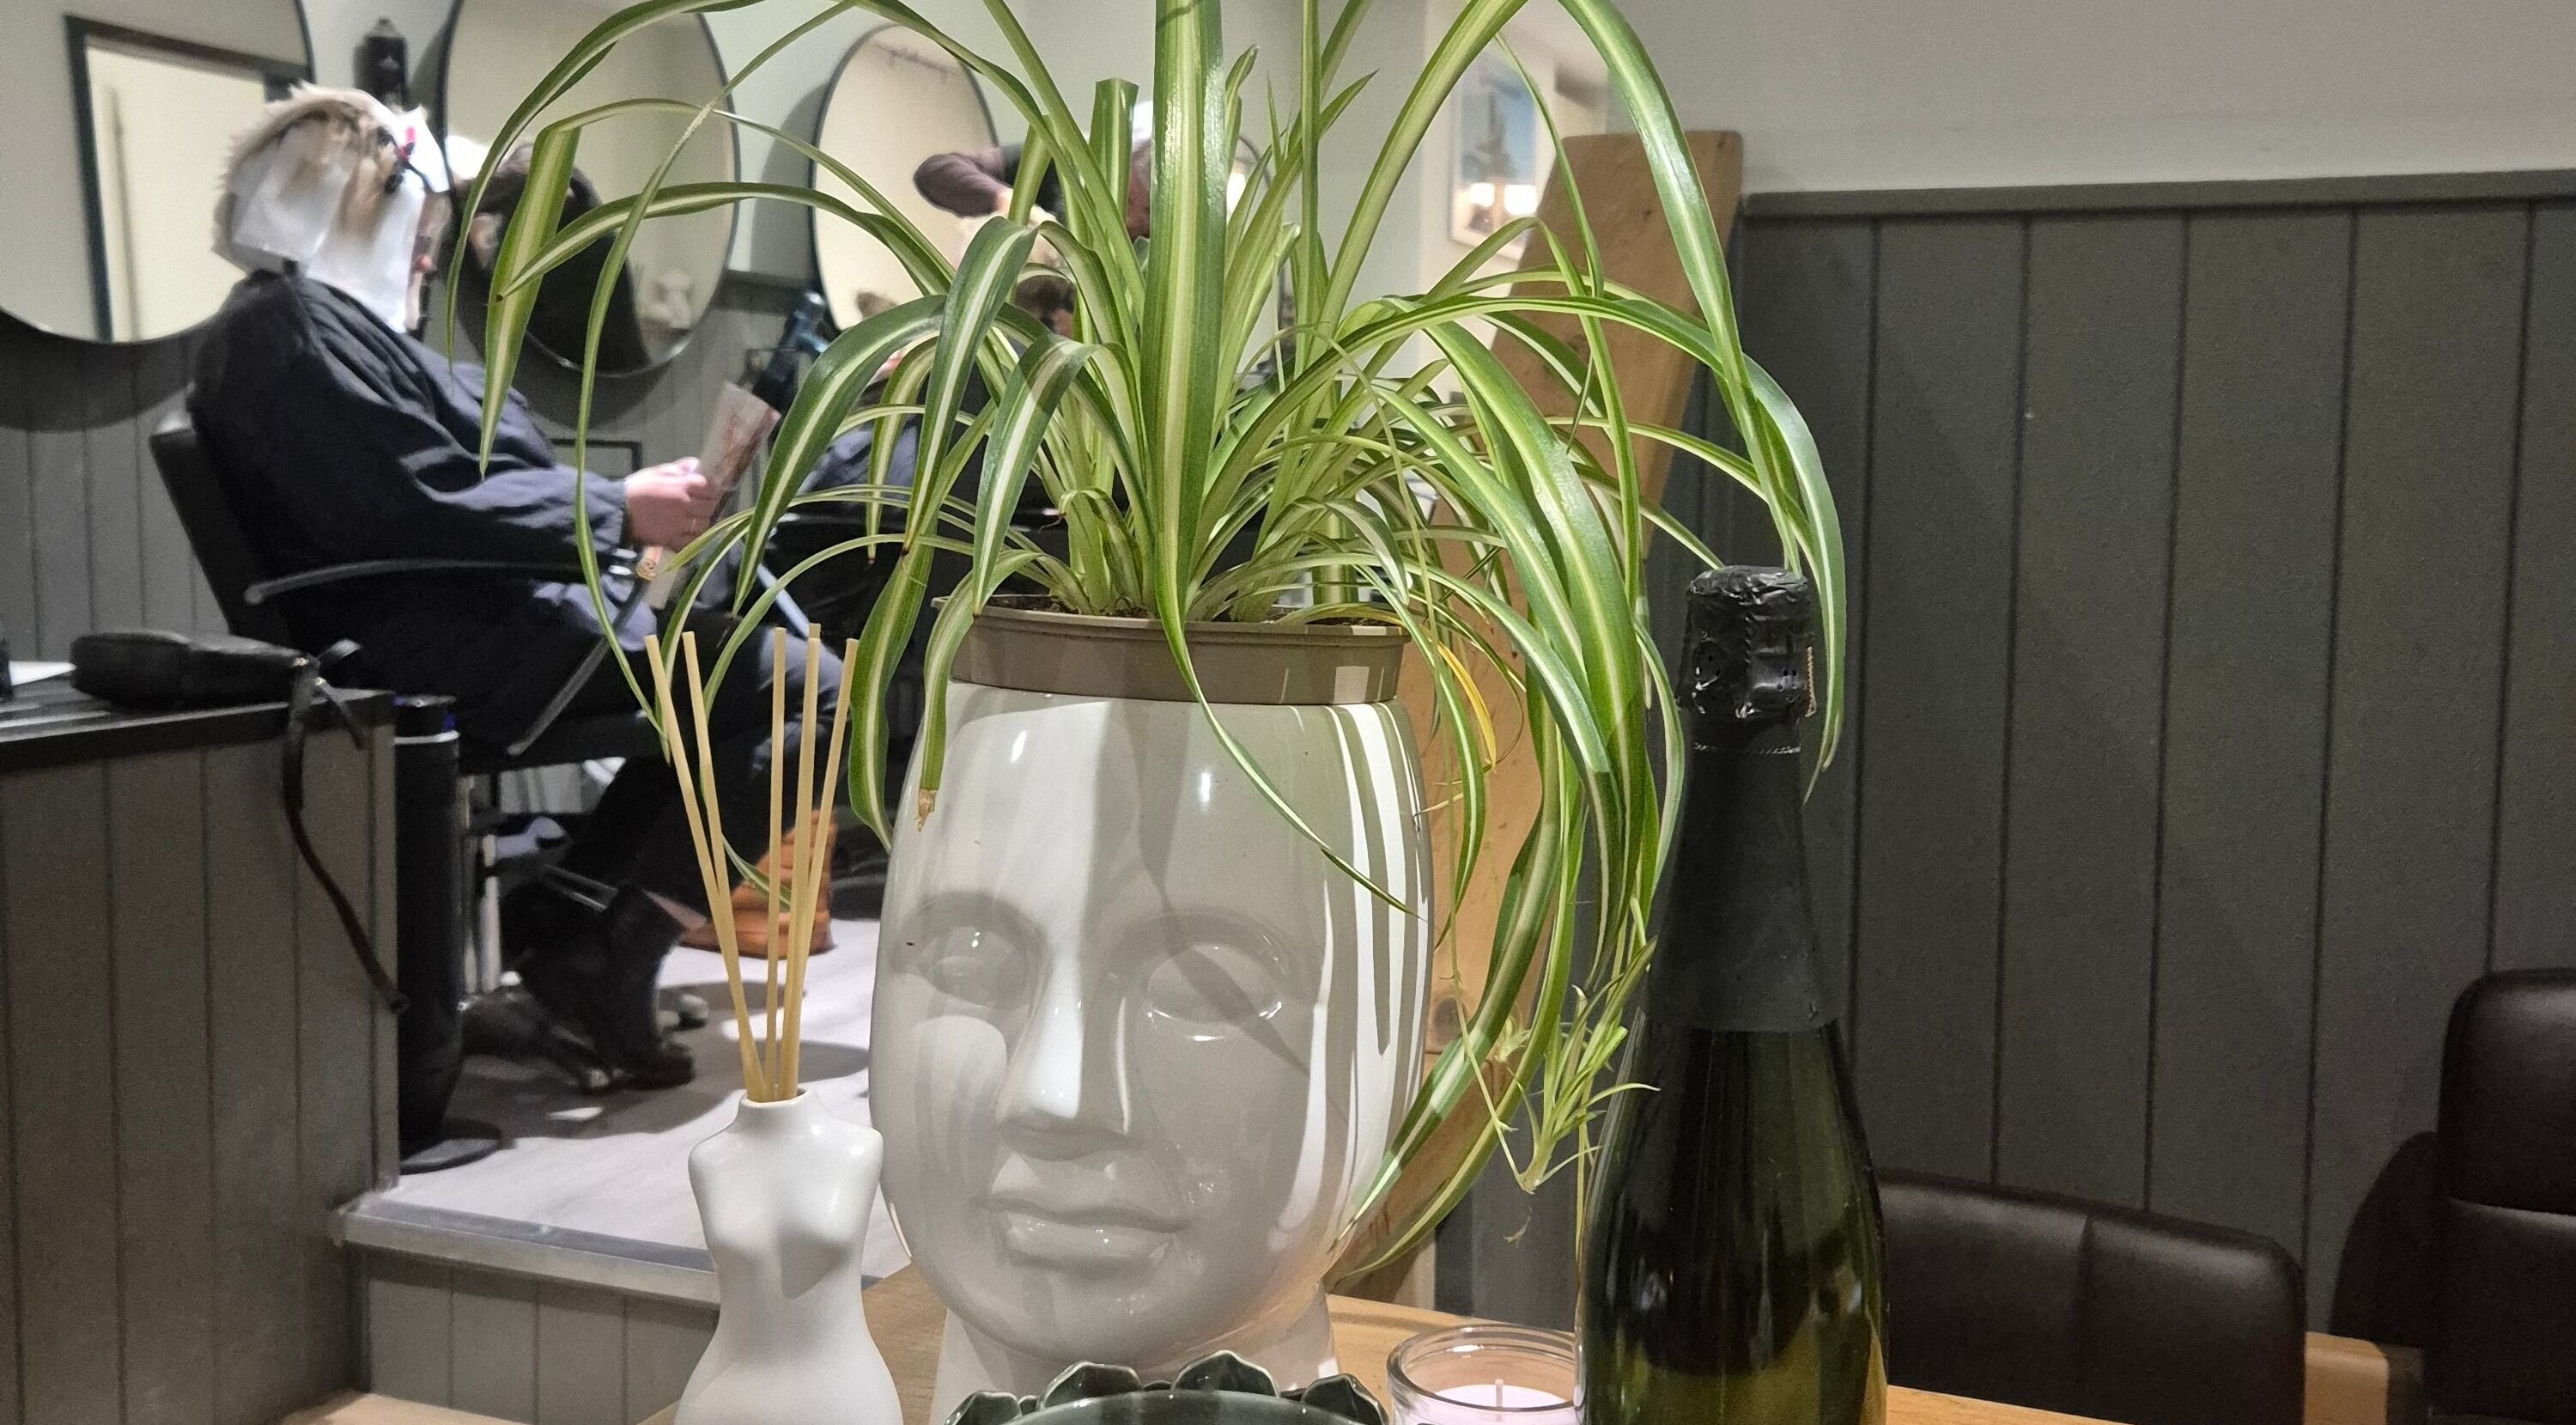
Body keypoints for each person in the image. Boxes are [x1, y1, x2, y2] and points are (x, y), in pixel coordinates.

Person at [190, 88, 831, 1090]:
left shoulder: (300, 329)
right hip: (441, 641)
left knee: (756, 675)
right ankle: (600, 940)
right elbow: (413, 500)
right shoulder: (290, 332)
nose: (427, 260)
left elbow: (433, 485)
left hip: (469, 621)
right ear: (354, 209)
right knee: (804, 686)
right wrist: (618, 509)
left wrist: (625, 515)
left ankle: (579, 925)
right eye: (421, 235)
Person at [914, 140, 1153, 241]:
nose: (1131, 220)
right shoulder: (1059, 163)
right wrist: (1005, 199)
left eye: (1149, 212)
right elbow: (934, 173)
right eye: (1125, 200)